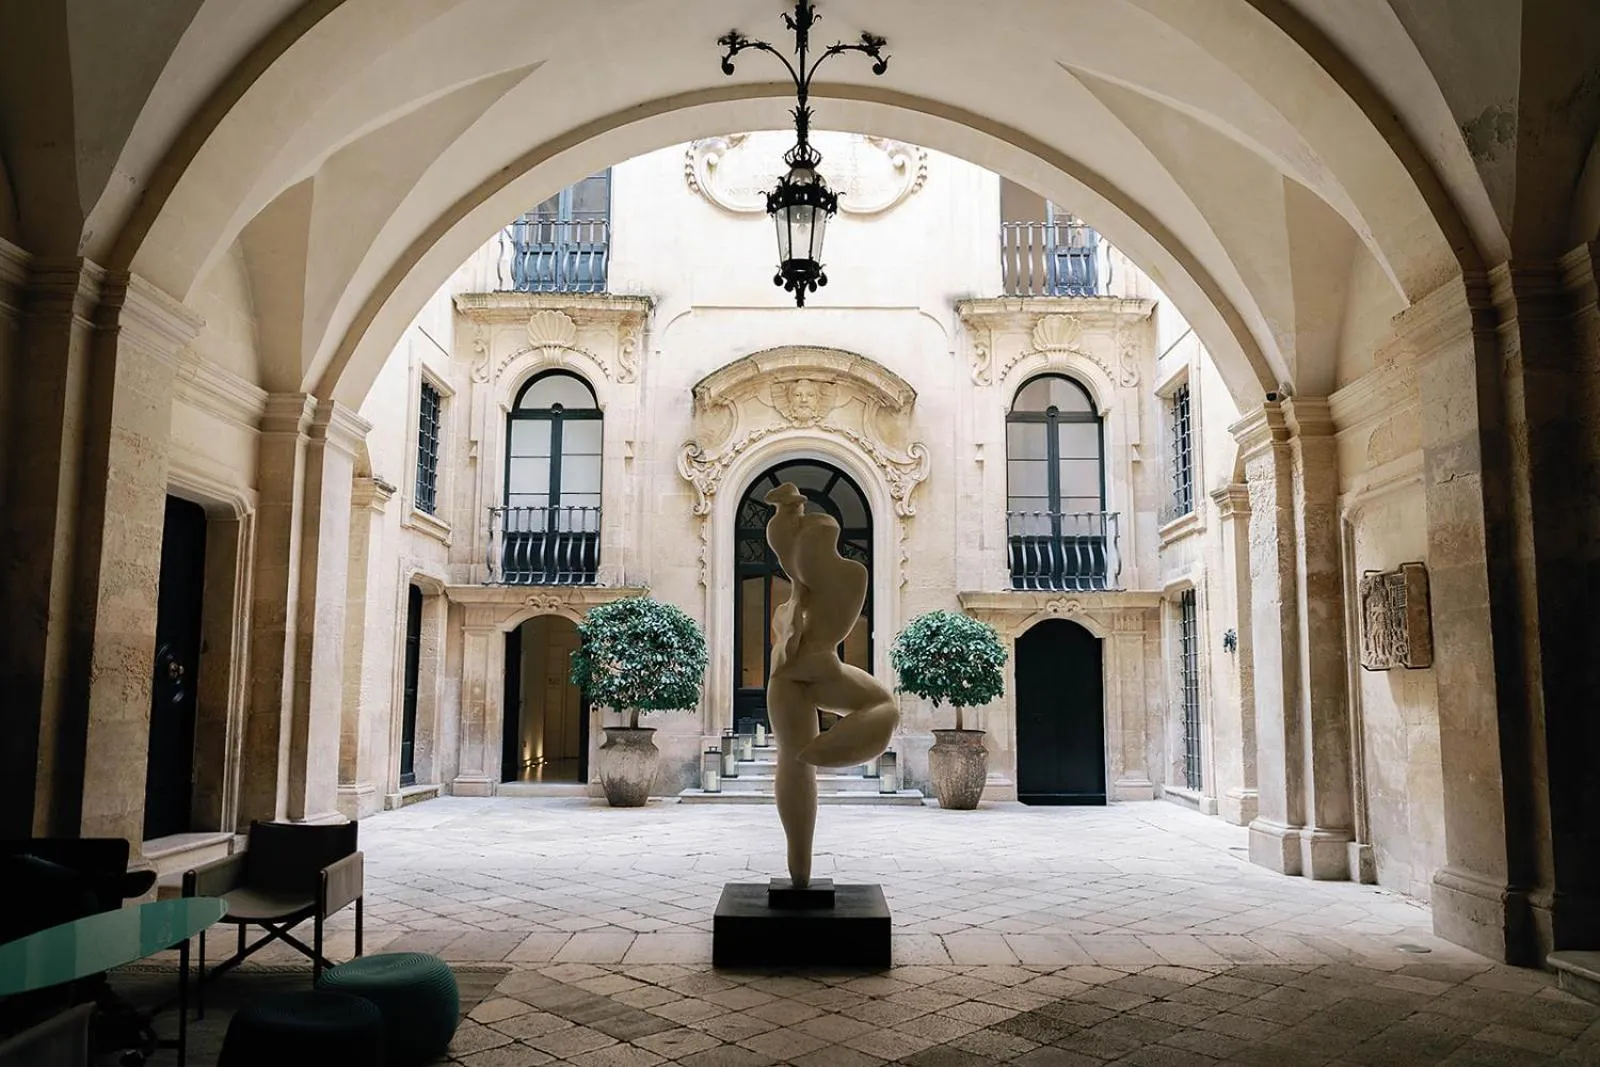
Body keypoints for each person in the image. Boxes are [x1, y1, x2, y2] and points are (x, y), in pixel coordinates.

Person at [765, 483, 899, 887]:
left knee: (798, 759)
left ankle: (800, 868)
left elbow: (791, 549)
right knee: (796, 760)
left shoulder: (821, 585)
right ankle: (799, 869)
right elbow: (791, 547)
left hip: (809, 672)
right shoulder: (840, 580)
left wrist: (790, 509)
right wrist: (791, 510)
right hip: (804, 674)